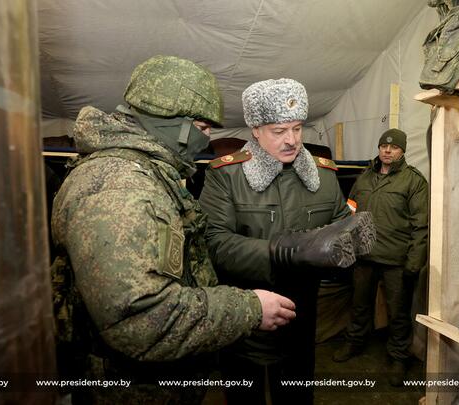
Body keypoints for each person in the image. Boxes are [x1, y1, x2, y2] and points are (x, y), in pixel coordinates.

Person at [50, 56, 297, 405]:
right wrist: (250, 308)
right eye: (205, 129)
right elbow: (142, 319)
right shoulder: (123, 187)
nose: (207, 140)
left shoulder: (138, 172)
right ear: (181, 126)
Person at [199, 78, 375, 404]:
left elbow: (338, 227)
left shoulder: (323, 174)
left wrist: (348, 242)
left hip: (301, 317)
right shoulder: (227, 175)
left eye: (297, 128)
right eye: (278, 131)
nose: (291, 140)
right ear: (255, 129)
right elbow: (214, 242)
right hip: (245, 318)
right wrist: (281, 252)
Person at [331, 128, 428, 387]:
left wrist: (414, 262)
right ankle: (354, 343)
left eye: (393, 147)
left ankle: (398, 358)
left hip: (396, 259)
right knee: (359, 305)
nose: (387, 150)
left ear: (402, 151)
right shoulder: (364, 177)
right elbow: (349, 214)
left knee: (398, 312)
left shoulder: (413, 181)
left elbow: (421, 226)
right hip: (363, 255)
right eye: (383, 146)